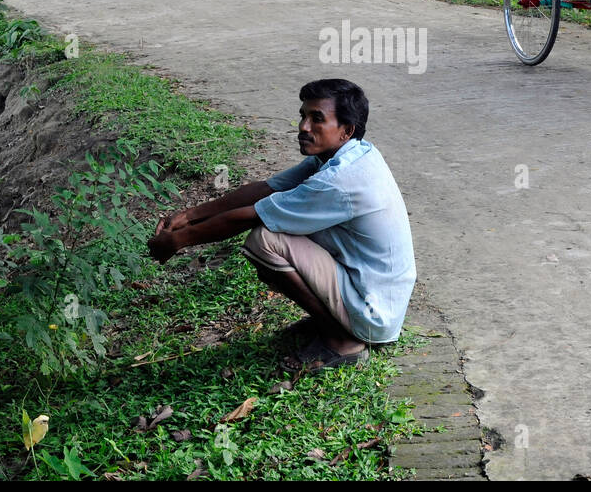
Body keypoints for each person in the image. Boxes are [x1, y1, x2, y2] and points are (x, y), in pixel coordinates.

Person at [147, 79, 415, 372]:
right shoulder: (348, 155)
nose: (303, 127)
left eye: (317, 119)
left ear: (346, 130)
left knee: (265, 240)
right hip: (370, 289)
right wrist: (189, 215)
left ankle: (342, 341)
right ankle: (329, 324)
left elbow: (253, 214)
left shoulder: (339, 181)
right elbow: (265, 189)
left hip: (374, 311)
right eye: (303, 116)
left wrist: (178, 241)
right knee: (277, 229)